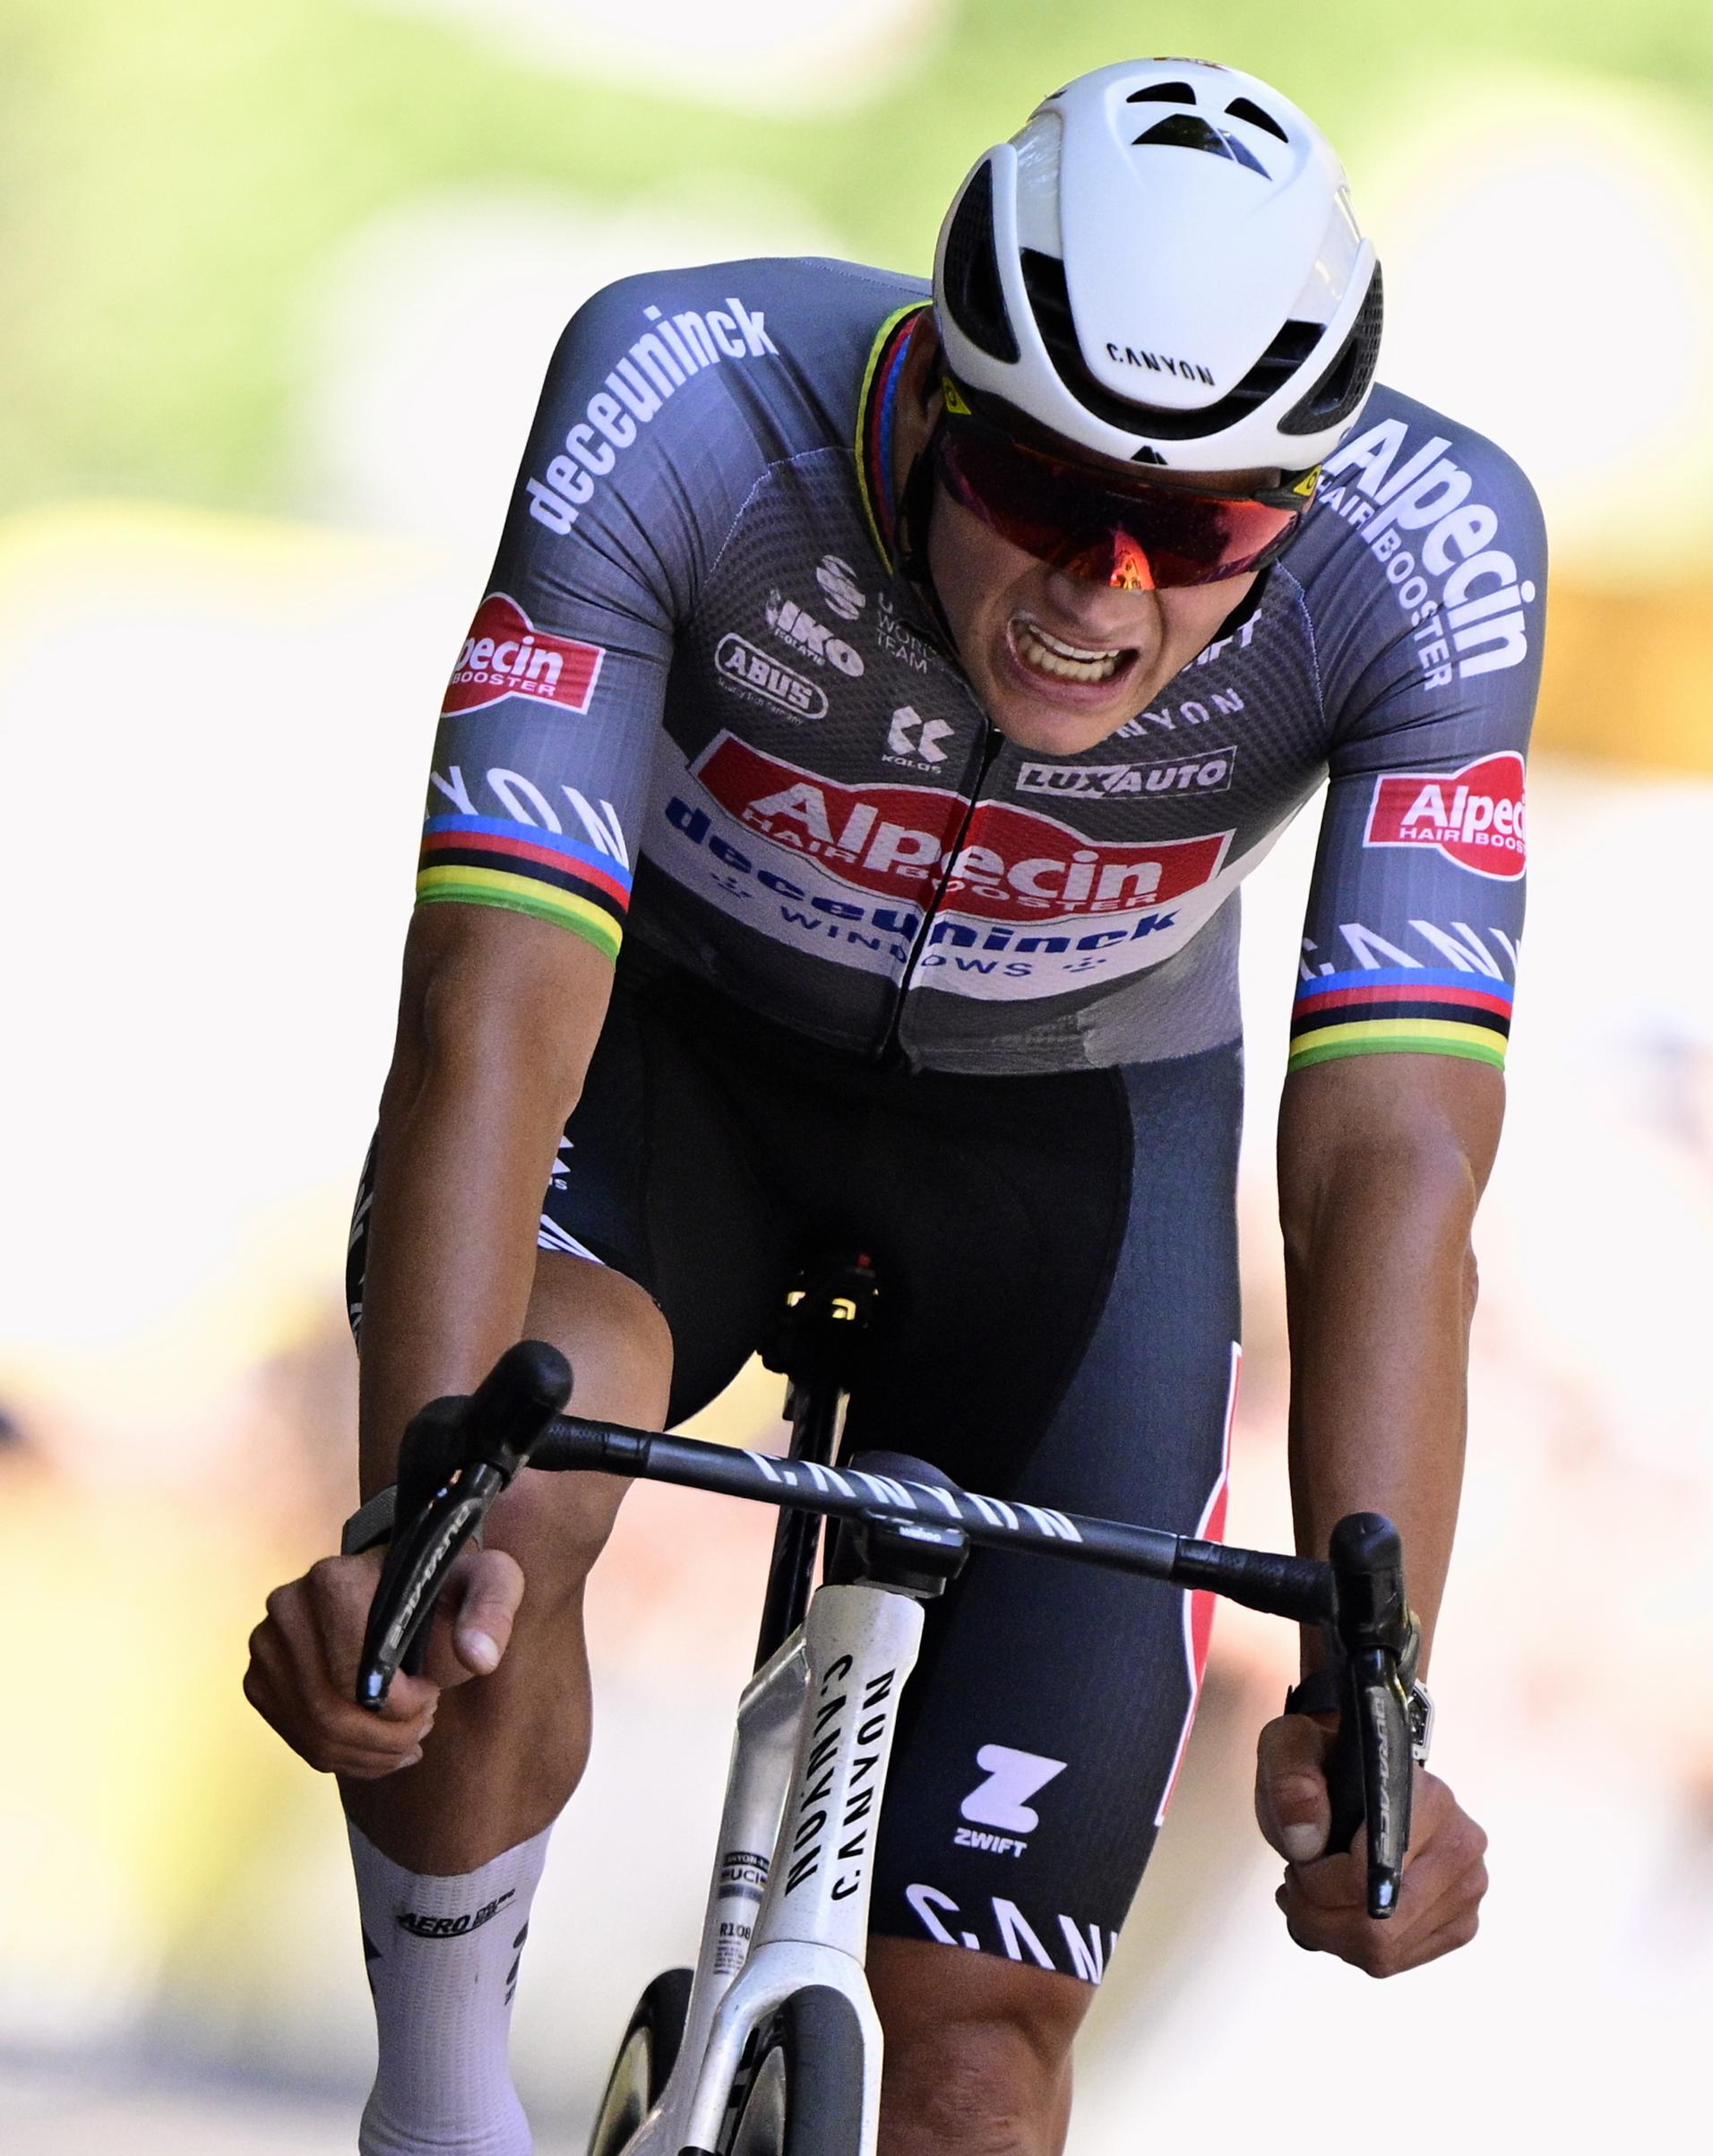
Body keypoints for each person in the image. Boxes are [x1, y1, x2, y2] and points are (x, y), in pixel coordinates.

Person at [245, 55, 1537, 2156]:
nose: (1104, 593)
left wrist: (1369, 1705)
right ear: (932, 393)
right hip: (675, 1084)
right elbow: (494, 994)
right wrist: (407, 1520)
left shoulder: (1434, 549)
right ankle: (446, 2086)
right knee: (497, 1525)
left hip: (1074, 1171)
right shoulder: (686, 397)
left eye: (1198, 528)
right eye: (1042, 490)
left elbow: (1393, 1154)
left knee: (966, 2078)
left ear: (1296, 502)